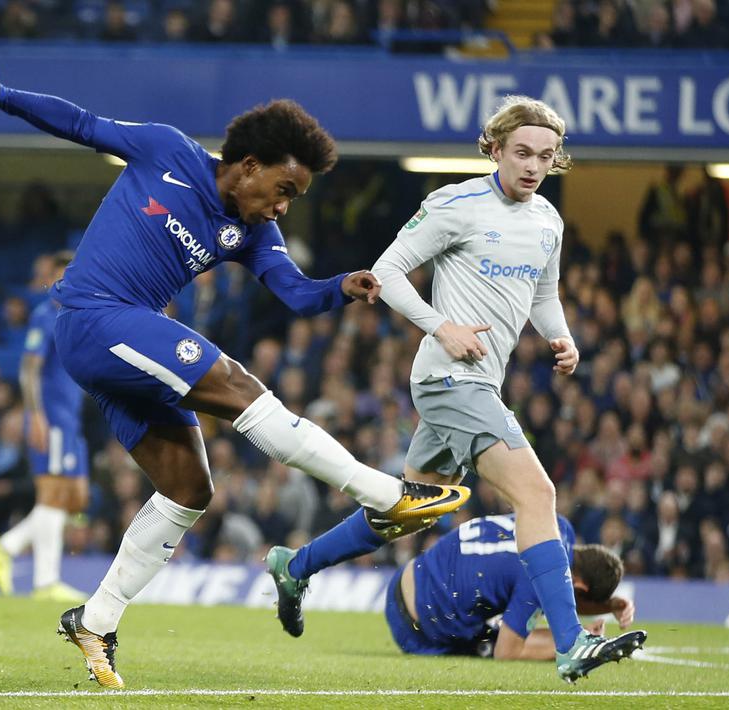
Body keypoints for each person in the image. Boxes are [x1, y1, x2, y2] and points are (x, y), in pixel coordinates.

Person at [0, 60, 469, 689]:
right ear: (248, 164)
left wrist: (341, 288)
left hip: (121, 347)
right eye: (282, 189)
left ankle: (96, 618)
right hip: (94, 317)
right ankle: (388, 496)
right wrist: (1, 96)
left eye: (291, 199)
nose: (281, 206)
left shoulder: (254, 231)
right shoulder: (164, 148)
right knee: (242, 388)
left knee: (190, 489)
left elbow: (297, 295)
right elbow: (82, 125)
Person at [265, 95, 646, 682]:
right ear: (494, 148)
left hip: (478, 382)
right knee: (537, 495)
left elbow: (542, 296)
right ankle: (571, 644)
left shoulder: (548, 222)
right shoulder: (453, 203)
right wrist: (440, 325)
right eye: (522, 152)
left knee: (409, 510)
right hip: (448, 379)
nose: (533, 166)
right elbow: (386, 273)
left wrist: (561, 336)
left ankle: (296, 565)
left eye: (546, 157)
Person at [0, 251, 89, 604]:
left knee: (73, 498)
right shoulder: (46, 315)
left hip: (69, 419)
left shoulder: (75, 314)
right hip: (52, 417)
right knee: (55, 495)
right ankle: (44, 581)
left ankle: (7, 547)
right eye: (63, 274)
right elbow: (28, 368)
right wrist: (36, 414)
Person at [379, 514, 635, 661]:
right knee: (495, 644)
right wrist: (583, 640)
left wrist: (606, 605)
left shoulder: (558, 525)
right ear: (580, 585)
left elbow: (562, 591)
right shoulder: (540, 576)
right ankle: (584, 643)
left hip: (408, 576)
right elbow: (507, 651)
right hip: (417, 632)